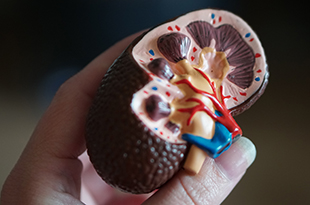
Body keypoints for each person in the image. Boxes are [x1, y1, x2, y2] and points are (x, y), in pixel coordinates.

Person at [0, 32, 256, 205]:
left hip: (178, 119)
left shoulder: (200, 90)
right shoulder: (187, 76)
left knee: (199, 135)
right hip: (168, 115)